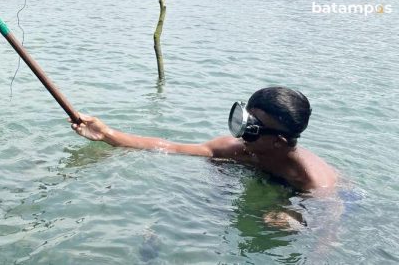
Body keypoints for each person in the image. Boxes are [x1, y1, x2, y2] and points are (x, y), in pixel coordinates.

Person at [71, 86, 338, 192]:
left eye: (251, 129)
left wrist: (294, 217)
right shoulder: (240, 149)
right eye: (242, 122)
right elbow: (171, 147)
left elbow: (327, 225)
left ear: (278, 142)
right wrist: (108, 134)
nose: (241, 134)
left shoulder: (313, 181)